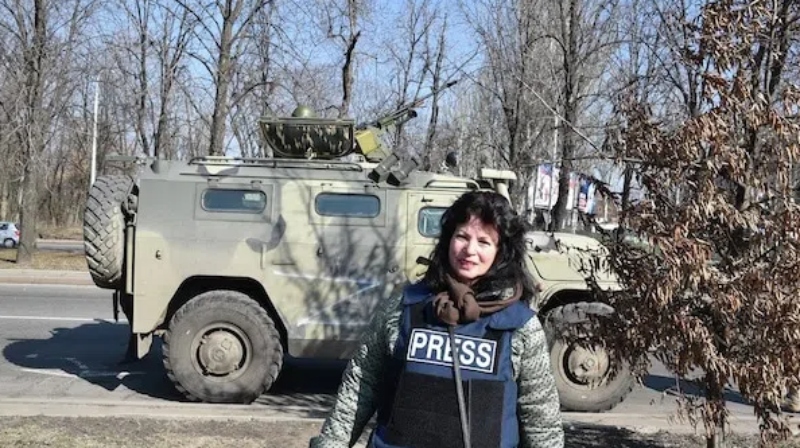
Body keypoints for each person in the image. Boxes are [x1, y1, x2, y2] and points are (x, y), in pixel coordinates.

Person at [309, 191, 564, 448]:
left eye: (484, 242)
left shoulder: (520, 327)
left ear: (501, 252)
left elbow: (541, 420)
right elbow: (360, 387)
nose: (470, 250)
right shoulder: (402, 308)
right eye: (462, 236)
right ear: (448, 239)